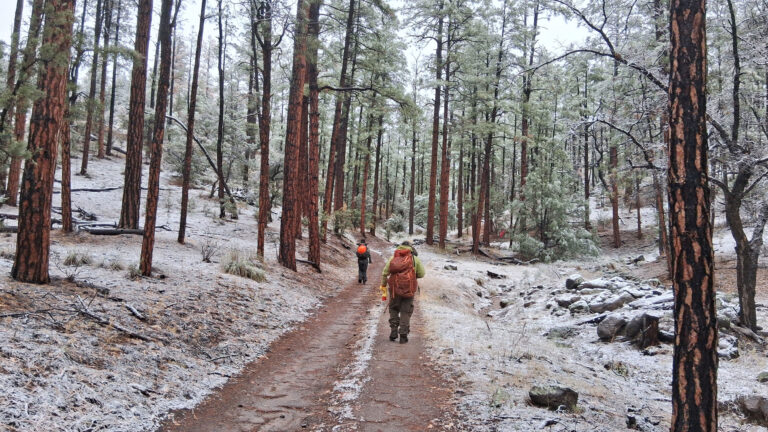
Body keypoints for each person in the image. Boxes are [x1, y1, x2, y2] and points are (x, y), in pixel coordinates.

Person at [380, 240, 425, 343]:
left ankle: (393, 331)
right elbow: (422, 274)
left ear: (400, 247)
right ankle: (403, 335)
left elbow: (385, 273)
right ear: (411, 248)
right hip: (409, 289)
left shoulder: (393, 257)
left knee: (394, 308)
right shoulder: (414, 258)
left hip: (394, 289)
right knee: (406, 311)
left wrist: (383, 285)